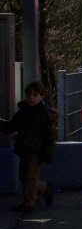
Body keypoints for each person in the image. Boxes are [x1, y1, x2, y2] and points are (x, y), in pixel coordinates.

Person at [0, 81, 57, 212]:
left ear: (41, 96)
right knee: (24, 178)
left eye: (35, 95)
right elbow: (11, 126)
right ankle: (44, 187)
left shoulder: (45, 114)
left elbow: (50, 136)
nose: (31, 98)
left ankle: (29, 204)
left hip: (37, 152)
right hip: (24, 149)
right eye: (28, 95)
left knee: (30, 178)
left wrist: (48, 153)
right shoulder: (23, 112)